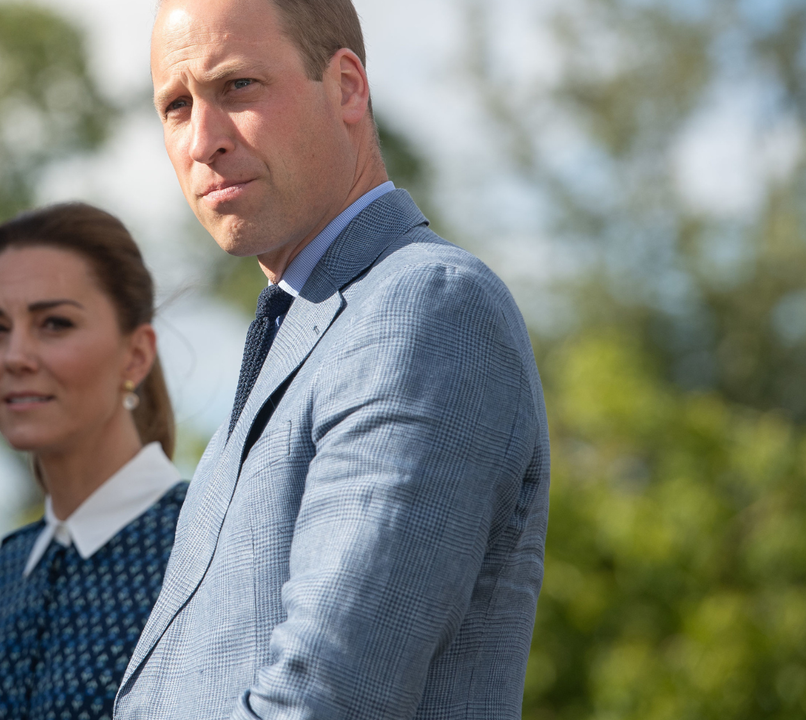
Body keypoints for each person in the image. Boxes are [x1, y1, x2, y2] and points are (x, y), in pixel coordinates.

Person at [115, 0, 550, 718]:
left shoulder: (424, 307)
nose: (203, 140)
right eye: (175, 105)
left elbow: (328, 696)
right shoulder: (299, 335)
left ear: (348, 87)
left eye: (237, 87)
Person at [0, 203, 187, 720]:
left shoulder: (206, 544)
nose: (15, 356)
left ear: (136, 355)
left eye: (54, 323)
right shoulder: (1, 576)